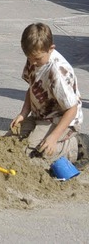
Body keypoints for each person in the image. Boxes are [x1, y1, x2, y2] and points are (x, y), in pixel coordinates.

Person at [9, 23, 82, 165]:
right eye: (29, 58)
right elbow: (32, 87)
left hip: (63, 121)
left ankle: (74, 146)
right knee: (12, 139)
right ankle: (43, 137)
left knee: (34, 154)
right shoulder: (34, 56)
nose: (33, 62)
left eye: (37, 59)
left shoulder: (57, 72)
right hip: (40, 116)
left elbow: (71, 109)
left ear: (51, 49)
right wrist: (23, 113)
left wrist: (54, 137)